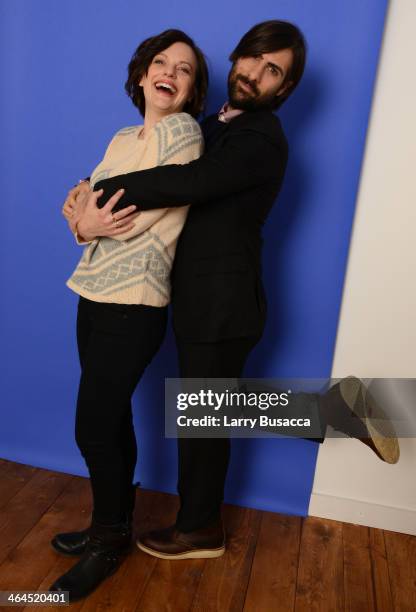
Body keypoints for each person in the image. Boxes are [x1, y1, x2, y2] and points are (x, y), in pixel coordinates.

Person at [63, 20, 399, 564]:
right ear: (237, 58)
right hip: (200, 297)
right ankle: (339, 414)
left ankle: (203, 528)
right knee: (204, 413)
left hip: (223, 300)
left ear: (283, 90)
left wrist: (96, 194)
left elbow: (189, 182)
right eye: (253, 59)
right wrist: (84, 198)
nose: (256, 74)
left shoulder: (261, 137)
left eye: (274, 71)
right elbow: (154, 162)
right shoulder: (213, 125)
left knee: (203, 414)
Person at [50, 29, 208, 601]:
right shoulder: (122, 136)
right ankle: (107, 527)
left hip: (135, 301)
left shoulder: (183, 133)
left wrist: (87, 218)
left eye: (184, 69)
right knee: (111, 418)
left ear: (191, 90)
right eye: (160, 62)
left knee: (93, 422)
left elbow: (129, 214)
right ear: (142, 75)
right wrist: (82, 220)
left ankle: (109, 540)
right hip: (92, 292)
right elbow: (83, 204)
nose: (169, 71)